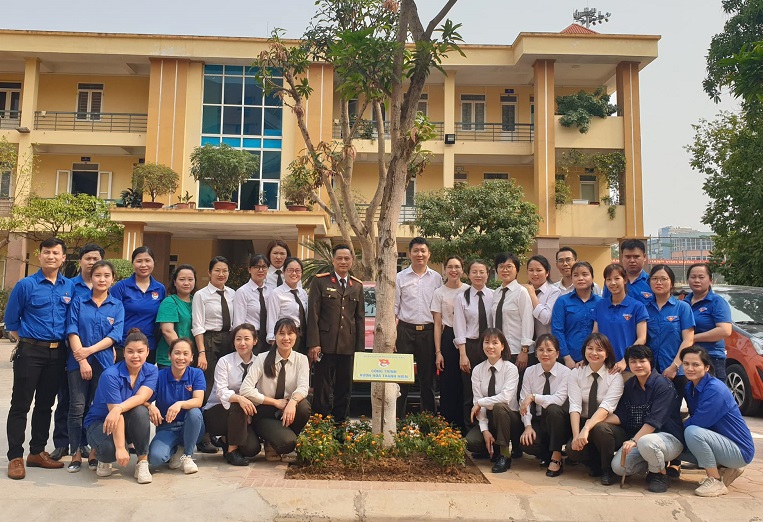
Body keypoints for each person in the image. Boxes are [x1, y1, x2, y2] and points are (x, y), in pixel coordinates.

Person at [5, 237, 75, 480]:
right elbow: (12, 321)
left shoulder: (69, 286)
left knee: (45, 405)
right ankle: (15, 456)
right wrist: (29, 341)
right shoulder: (26, 285)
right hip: (30, 352)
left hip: (58, 353)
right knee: (21, 404)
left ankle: (36, 452)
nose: (51, 256)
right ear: (40, 255)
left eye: (56, 253)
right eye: (47, 252)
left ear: (63, 257)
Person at [65, 260, 124, 473]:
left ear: (113, 279)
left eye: (107, 276)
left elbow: (115, 335)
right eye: (98, 275)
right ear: (91, 277)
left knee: (98, 407)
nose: (102, 279)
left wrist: (88, 351)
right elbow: (71, 329)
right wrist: (82, 360)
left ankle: (94, 451)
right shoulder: (79, 302)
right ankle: (75, 452)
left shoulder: (117, 305)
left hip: (105, 364)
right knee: (77, 407)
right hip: (77, 361)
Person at [50, 242, 105, 461]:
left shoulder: (105, 286)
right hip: (69, 351)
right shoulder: (70, 285)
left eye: (96, 259)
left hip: (96, 354)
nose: (92, 262)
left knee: (88, 401)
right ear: (80, 261)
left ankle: (83, 442)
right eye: (88, 258)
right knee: (67, 399)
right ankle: (62, 443)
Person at [85, 329, 158, 484]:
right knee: (110, 450)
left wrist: (121, 408)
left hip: (123, 418)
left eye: (140, 351)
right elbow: (114, 412)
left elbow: (141, 397)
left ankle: (142, 462)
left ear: (147, 352)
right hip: (101, 422)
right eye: (130, 351)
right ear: (123, 352)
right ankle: (102, 455)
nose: (135, 356)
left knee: (140, 411)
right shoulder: (110, 375)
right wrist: (119, 448)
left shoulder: (151, 370)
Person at [680, 346, 755, 497]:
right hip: (723, 443)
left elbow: (698, 422)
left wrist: (673, 432)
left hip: (740, 451)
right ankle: (728, 469)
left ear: (707, 367)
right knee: (682, 438)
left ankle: (714, 480)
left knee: (691, 433)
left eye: (696, 364)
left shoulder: (715, 389)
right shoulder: (690, 387)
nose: (690, 368)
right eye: (686, 364)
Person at [610, 345, 684, 493]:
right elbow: (622, 415)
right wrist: (592, 421)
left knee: (646, 442)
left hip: (669, 439)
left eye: (642, 361)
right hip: (643, 441)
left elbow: (654, 421)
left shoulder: (663, 385)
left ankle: (660, 475)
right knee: (619, 467)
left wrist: (633, 440)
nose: (638, 365)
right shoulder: (630, 385)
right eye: (633, 361)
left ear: (650, 362)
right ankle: (653, 464)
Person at [306, 244, 365, 424]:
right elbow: (313, 314)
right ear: (333, 260)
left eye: (347, 258)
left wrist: (360, 350)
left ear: (352, 261)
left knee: (344, 389)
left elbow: (360, 319)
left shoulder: (357, 286)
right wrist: (314, 343)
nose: (343, 262)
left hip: (347, 346)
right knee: (322, 387)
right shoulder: (320, 282)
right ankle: (320, 425)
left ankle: (340, 425)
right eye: (339, 258)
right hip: (325, 344)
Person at [240, 318, 311, 463]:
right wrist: (274, 402)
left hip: (287, 409)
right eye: (281, 333)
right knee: (285, 443)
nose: (286, 338)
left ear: (296, 335)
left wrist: (292, 402)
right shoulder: (263, 358)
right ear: (275, 336)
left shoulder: (301, 359)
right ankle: (271, 440)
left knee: (303, 407)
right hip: (264, 413)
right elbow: (245, 389)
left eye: (290, 333)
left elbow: (303, 387)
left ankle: (281, 439)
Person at [566, 333, 626, 485]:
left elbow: (606, 407)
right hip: (585, 421)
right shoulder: (576, 373)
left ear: (607, 353)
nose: (594, 353)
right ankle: (594, 463)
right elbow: (575, 405)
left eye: (599, 349)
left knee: (600, 429)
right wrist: (576, 436)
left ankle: (608, 469)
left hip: (607, 425)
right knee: (572, 450)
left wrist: (586, 428)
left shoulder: (615, 376)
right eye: (590, 348)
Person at [394, 237, 442, 417]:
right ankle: (397, 421)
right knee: (401, 379)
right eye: (415, 251)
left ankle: (428, 421)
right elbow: (394, 308)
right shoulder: (400, 277)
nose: (419, 254)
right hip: (405, 331)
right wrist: (393, 336)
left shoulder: (436, 278)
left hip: (428, 332)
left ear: (429, 254)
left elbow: (439, 311)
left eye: (423, 251)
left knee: (427, 380)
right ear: (409, 254)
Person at [192, 256, 235, 454]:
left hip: (229, 339)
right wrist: (201, 352)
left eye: (225, 270)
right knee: (207, 386)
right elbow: (198, 325)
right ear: (209, 272)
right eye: (217, 270)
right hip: (209, 340)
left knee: (225, 385)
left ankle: (220, 430)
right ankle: (202, 436)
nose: (221, 274)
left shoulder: (233, 293)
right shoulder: (201, 295)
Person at [202, 323, 261, 466]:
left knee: (252, 449)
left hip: (243, 414)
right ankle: (231, 451)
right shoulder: (224, 362)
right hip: (217, 413)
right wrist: (240, 399)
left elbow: (260, 390)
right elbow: (221, 391)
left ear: (255, 341)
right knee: (238, 402)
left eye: (246, 339)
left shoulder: (259, 363)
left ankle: (225, 440)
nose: (242, 343)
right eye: (238, 339)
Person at [465, 328, 521, 473]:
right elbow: (477, 402)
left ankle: (504, 454)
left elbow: (505, 398)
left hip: (510, 419)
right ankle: (491, 447)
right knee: (471, 442)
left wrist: (480, 403)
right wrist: (484, 430)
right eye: (487, 342)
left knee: (499, 407)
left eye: (495, 343)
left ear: (502, 346)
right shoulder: (478, 370)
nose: (490, 346)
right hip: (489, 419)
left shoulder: (511, 369)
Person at [147, 338, 206, 474]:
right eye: (177, 353)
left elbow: (198, 401)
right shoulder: (159, 376)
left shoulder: (196, 374)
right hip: (167, 427)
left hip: (191, 426)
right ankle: (177, 450)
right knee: (155, 459)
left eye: (186, 354)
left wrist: (179, 404)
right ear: (169, 355)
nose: (181, 358)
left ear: (192, 357)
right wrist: (150, 406)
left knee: (194, 412)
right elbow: (143, 398)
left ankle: (187, 456)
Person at [519, 334, 572, 477]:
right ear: (536, 353)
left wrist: (534, 397)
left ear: (557, 353)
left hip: (559, 422)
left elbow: (559, 399)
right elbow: (524, 402)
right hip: (539, 420)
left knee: (553, 409)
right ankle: (546, 455)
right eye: (541, 350)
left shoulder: (566, 373)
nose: (545, 354)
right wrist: (528, 426)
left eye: (549, 350)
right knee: (526, 443)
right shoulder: (530, 371)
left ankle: (556, 456)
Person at [646, 264, 695, 400]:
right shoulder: (644, 309)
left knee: (673, 409)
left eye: (664, 279)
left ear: (671, 283)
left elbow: (688, 340)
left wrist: (674, 367)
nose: (659, 282)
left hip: (677, 371)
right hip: (651, 371)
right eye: (655, 279)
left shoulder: (682, 307)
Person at [111, 246, 166, 363]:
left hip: (149, 348)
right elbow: (110, 316)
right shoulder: (121, 287)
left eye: (147, 260)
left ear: (154, 263)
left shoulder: (160, 289)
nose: (143, 265)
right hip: (123, 346)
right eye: (139, 261)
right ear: (132, 263)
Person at [453, 259, 490, 433]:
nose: (478, 275)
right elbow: (459, 327)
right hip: (471, 347)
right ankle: (471, 432)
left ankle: (490, 429)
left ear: (488, 274)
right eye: (474, 272)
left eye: (482, 272)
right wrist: (463, 354)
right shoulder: (462, 297)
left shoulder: (494, 295)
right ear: (468, 275)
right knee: (470, 390)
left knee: (490, 388)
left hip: (491, 346)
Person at [433, 255, 470, 432]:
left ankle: (467, 426)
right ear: (445, 270)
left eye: (457, 267)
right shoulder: (439, 292)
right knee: (448, 384)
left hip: (468, 339)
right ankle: (448, 428)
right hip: (448, 337)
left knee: (466, 383)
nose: (453, 270)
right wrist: (438, 352)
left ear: (462, 270)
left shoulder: (469, 290)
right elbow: (437, 324)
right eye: (450, 267)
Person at [592, 263, 648, 374]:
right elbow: (595, 334)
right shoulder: (600, 306)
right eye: (608, 279)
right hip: (603, 367)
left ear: (625, 280)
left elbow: (642, 338)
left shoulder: (637, 306)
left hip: (628, 368)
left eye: (617, 278)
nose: (612, 283)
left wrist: (626, 360)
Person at [683, 263, 733, 382]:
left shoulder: (716, 302)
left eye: (701, 277)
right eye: (693, 277)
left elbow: (725, 330)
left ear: (710, 280)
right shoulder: (684, 302)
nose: (697, 280)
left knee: (711, 393)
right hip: (689, 359)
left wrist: (692, 338)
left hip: (711, 359)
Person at [552, 261, 602, 368]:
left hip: (594, 358)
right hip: (569, 359)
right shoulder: (562, 301)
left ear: (592, 277)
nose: (580, 278)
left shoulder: (601, 303)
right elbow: (557, 330)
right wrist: (566, 357)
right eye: (575, 275)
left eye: (585, 274)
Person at [490, 253, 533, 372]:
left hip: (516, 351)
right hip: (498, 350)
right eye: (501, 266)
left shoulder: (521, 292)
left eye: (509, 266)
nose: (505, 270)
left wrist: (524, 350)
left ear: (517, 270)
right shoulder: (496, 293)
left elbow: (528, 321)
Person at [156, 264, 197, 370]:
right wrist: (182, 354)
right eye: (182, 279)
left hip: (190, 358)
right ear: (174, 282)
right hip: (170, 360)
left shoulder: (197, 301)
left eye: (190, 279)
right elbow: (167, 331)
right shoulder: (170, 302)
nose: (186, 283)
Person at [266, 257, 308, 353]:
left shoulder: (303, 293)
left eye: (297, 270)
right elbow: (272, 319)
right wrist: (273, 341)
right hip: (286, 337)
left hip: (303, 337)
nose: (294, 273)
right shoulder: (276, 293)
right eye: (290, 270)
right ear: (284, 272)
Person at [233, 254, 271, 351]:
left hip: (268, 338)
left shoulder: (271, 291)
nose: (260, 270)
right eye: (257, 267)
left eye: (264, 267)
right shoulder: (242, 292)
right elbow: (238, 321)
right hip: (251, 338)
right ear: (249, 269)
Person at [603, 239, 652, 306]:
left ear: (644, 257)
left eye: (636, 257)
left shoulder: (651, 282)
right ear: (622, 257)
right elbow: (605, 305)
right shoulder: (612, 282)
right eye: (628, 257)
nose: (632, 260)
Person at [523, 255, 561, 340]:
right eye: (531, 270)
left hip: (545, 342)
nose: (534, 274)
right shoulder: (523, 291)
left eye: (539, 270)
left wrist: (532, 295)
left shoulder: (554, 292)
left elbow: (546, 319)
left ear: (547, 273)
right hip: (525, 342)